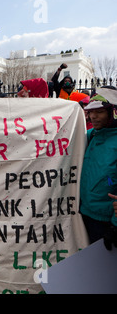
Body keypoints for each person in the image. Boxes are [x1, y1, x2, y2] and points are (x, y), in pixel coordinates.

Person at [80, 87, 117, 250]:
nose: (92, 116)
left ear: (113, 112)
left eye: (99, 111)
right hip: (83, 215)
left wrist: (115, 225)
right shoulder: (91, 135)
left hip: (106, 222)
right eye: (90, 111)